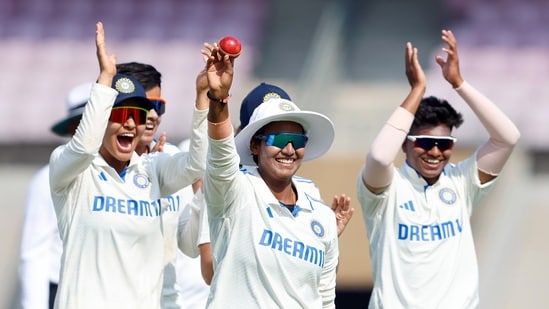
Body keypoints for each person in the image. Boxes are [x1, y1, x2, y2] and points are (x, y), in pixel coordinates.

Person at [357, 29, 520, 308]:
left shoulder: (461, 182)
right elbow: (380, 157)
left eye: (444, 144)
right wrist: (417, 90)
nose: (435, 151)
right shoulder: (386, 188)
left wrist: (458, 83)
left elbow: (508, 138)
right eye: (425, 142)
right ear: (405, 144)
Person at [48, 22, 207, 309]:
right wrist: (105, 79)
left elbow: (197, 163)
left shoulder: (153, 168)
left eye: (139, 113)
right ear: (101, 117)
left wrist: (206, 99)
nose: (133, 123)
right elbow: (84, 147)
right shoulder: (73, 169)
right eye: (121, 114)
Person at [203, 42, 339, 308]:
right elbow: (220, 155)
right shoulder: (236, 191)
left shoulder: (323, 217)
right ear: (255, 145)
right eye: (279, 138)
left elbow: (325, 298)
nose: (289, 149)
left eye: (297, 140)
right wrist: (219, 99)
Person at [116, 61, 210, 308]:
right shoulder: (93, 166)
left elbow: (189, 247)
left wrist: (203, 196)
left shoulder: (168, 158)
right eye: (144, 106)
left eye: (158, 105)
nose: (154, 116)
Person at [19, 82, 92, 309]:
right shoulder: (47, 177)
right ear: (72, 128)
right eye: (87, 122)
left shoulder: (128, 173)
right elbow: (34, 254)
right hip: (64, 294)